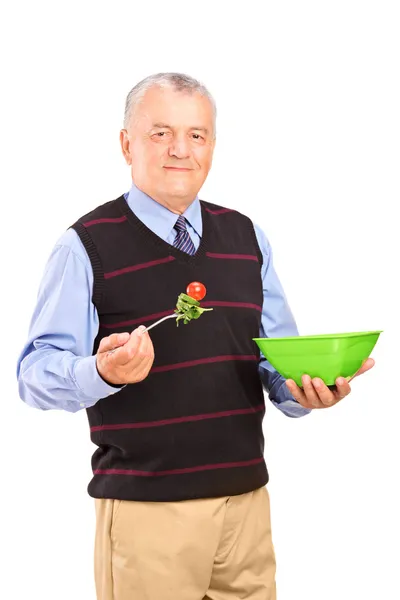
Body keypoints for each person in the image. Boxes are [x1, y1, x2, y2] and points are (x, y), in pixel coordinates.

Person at [16, 72, 375, 600]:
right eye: (161, 133)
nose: (181, 149)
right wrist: (99, 371)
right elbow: (33, 375)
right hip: (148, 515)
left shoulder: (247, 236)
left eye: (197, 134)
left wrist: (305, 389)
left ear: (212, 144)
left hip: (247, 505)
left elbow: (273, 361)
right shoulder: (84, 246)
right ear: (126, 143)